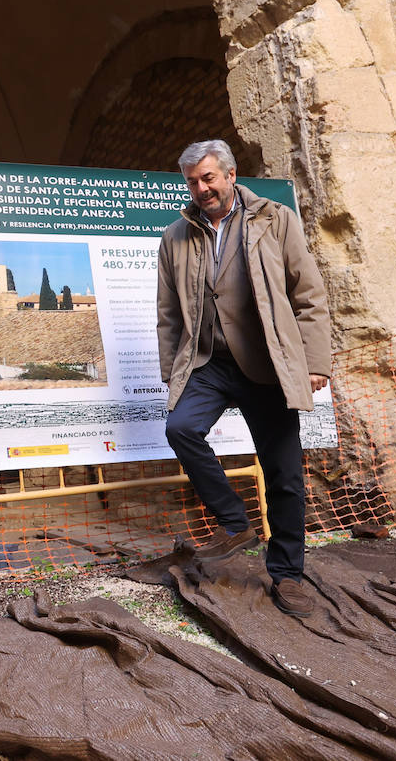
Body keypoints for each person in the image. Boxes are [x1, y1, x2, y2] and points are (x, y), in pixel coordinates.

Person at [156, 139, 332, 617]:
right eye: (193, 181)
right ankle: (235, 523)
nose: (201, 188)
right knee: (180, 428)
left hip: (266, 364)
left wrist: (315, 363)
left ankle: (288, 575)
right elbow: (169, 315)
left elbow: (308, 293)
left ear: (231, 175)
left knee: (284, 475)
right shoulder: (175, 236)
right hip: (208, 362)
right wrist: (172, 372)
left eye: (209, 178)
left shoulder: (274, 219)